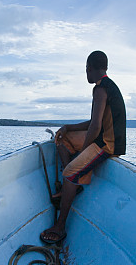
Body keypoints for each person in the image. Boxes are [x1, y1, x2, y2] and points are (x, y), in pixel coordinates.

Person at [40, 50, 126, 244]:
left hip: (107, 144)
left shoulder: (100, 89)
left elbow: (95, 126)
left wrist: (83, 151)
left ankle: (60, 227)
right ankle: (72, 187)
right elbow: (94, 121)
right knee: (62, 138)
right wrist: (69, 127)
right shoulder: (106, 86)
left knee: (70, 172)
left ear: (89, 68)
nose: (86, 74)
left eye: (86, 70)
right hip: (102, 137)